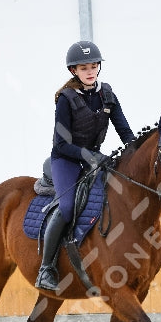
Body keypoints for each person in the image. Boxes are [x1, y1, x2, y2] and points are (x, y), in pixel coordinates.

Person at [35, 40, 136, 291]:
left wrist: (136, 151)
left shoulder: (107, 94)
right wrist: (90, 156)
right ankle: (46, 268)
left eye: (93, 66)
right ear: (74, 72)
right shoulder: (66, 99)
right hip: (66, 160)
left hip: (93, 159)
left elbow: (124, 130)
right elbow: (61, 144)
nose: (90, 72)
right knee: (68, 206)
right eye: (83, 68)